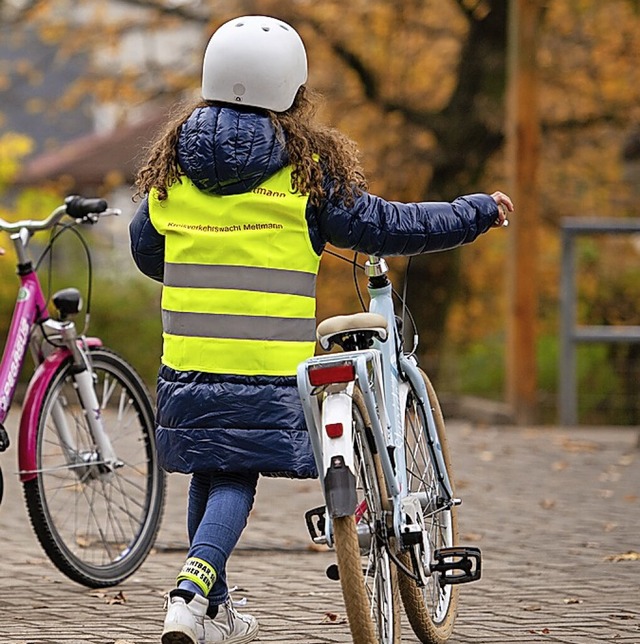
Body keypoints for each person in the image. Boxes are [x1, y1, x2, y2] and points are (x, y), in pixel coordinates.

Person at [129, 14, 513, 644]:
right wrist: (473, 213)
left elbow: (149, 255)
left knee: (214, 470)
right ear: (293, 92)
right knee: (233, 475)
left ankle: (208, 615)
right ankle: (190, 592)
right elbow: (389, 225)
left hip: (188, 357)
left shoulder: (171, 173)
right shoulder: (304, 171)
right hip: (264, 363)